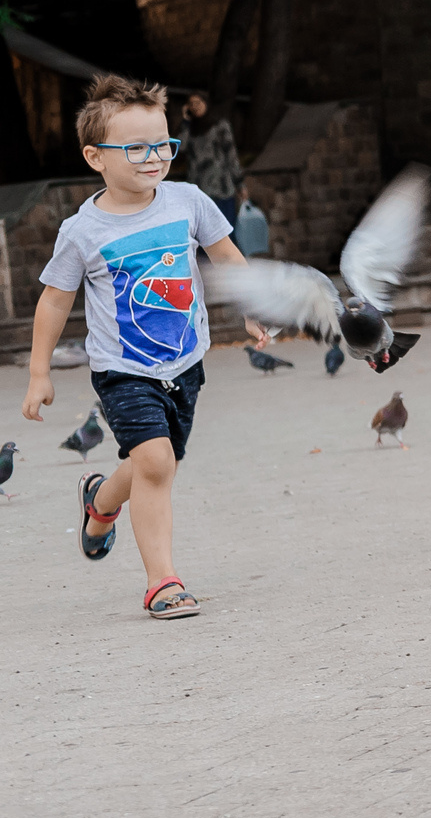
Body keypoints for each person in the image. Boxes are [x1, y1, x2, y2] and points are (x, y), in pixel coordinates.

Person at [23, 74, 270, 620]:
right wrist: (40, 372)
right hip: (122, 370)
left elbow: (227, 255)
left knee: (157, 464)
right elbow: (55, 302)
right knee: (156, 461)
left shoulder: (188, 201)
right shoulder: (82, 231)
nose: (154, 157)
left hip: (186, 363)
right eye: (135, 147)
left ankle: (101, 502)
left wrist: (251, 305)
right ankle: (164, 582)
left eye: (163, 144)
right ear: (95, 157)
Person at [179, 94, 242, 224]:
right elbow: (180, 147)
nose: (195, 106)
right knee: (204, 236)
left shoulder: (220, 126)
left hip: (222, 188)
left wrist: (240, 182)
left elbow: (231, 155)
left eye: (198, 102)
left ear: (206, 102)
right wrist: (185, 121)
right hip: (200, 190)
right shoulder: (190, 129)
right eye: (191, 104)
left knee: (227, 233)